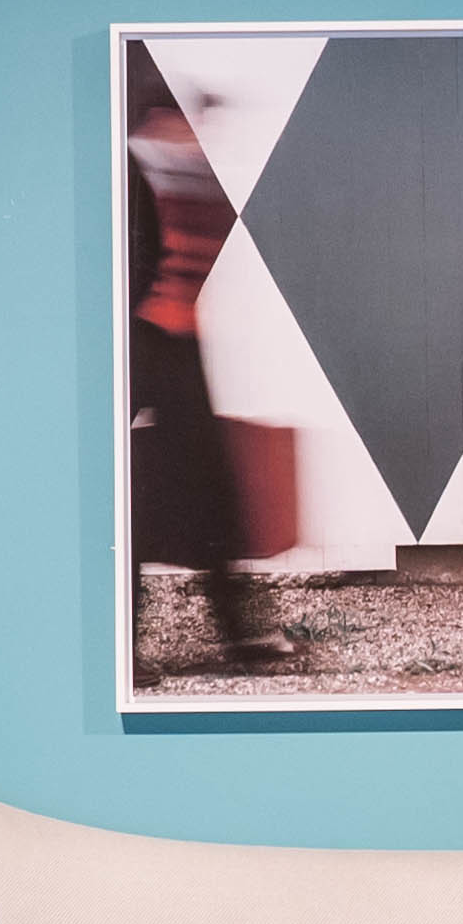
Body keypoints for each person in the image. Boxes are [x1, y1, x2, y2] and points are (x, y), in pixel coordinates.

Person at [123, 82, 290, 663]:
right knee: (131, 494)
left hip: (177, 345)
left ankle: (236, 633)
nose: (195, 133)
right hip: (140, 346)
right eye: (183, 118)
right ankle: (123, 645)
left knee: (208, 487)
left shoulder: (179, 168)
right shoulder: (136, 164)